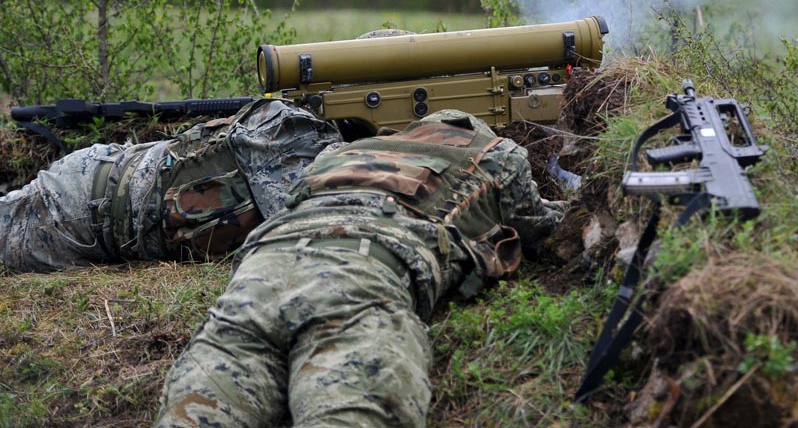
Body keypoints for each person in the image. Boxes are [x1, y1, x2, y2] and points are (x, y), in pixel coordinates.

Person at [155, 108, 566, 428]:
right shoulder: (496, 155)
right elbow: (544, 230)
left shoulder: (338, 154)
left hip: (260, 274)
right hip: (359, 278)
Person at [0, 98, 344, 272]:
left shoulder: (306, 136)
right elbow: (307, 250)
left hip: (100, 191)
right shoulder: (297, 139)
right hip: (77, 209)